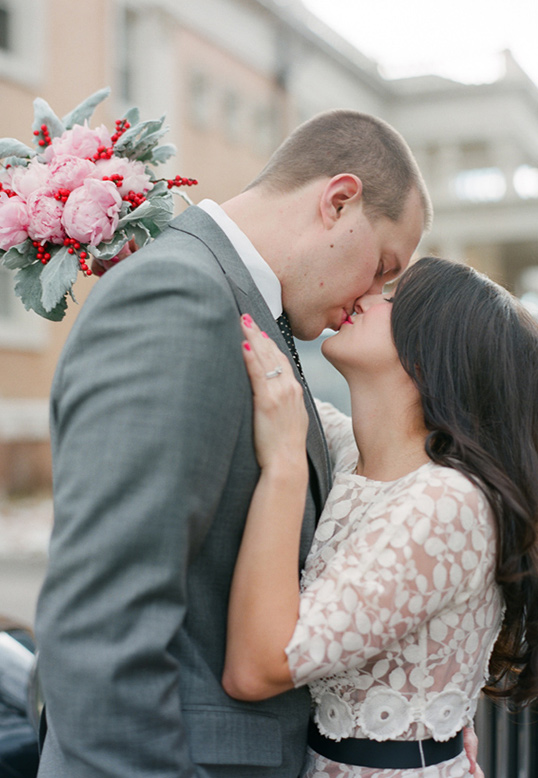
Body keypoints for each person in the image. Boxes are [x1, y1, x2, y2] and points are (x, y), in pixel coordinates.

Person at [34, 109, 431, 777]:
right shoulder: (181, 296)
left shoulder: (244, 307)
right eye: (384, 266)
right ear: (338, 201)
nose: (373, 295)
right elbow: (101, 631)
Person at [222, 257, 538, 777]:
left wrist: (283, 466)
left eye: (391, 298)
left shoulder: (448, 503)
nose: (364, 298)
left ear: (432, 353)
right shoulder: (349, 454)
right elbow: (271, 383)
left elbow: (257, 669)